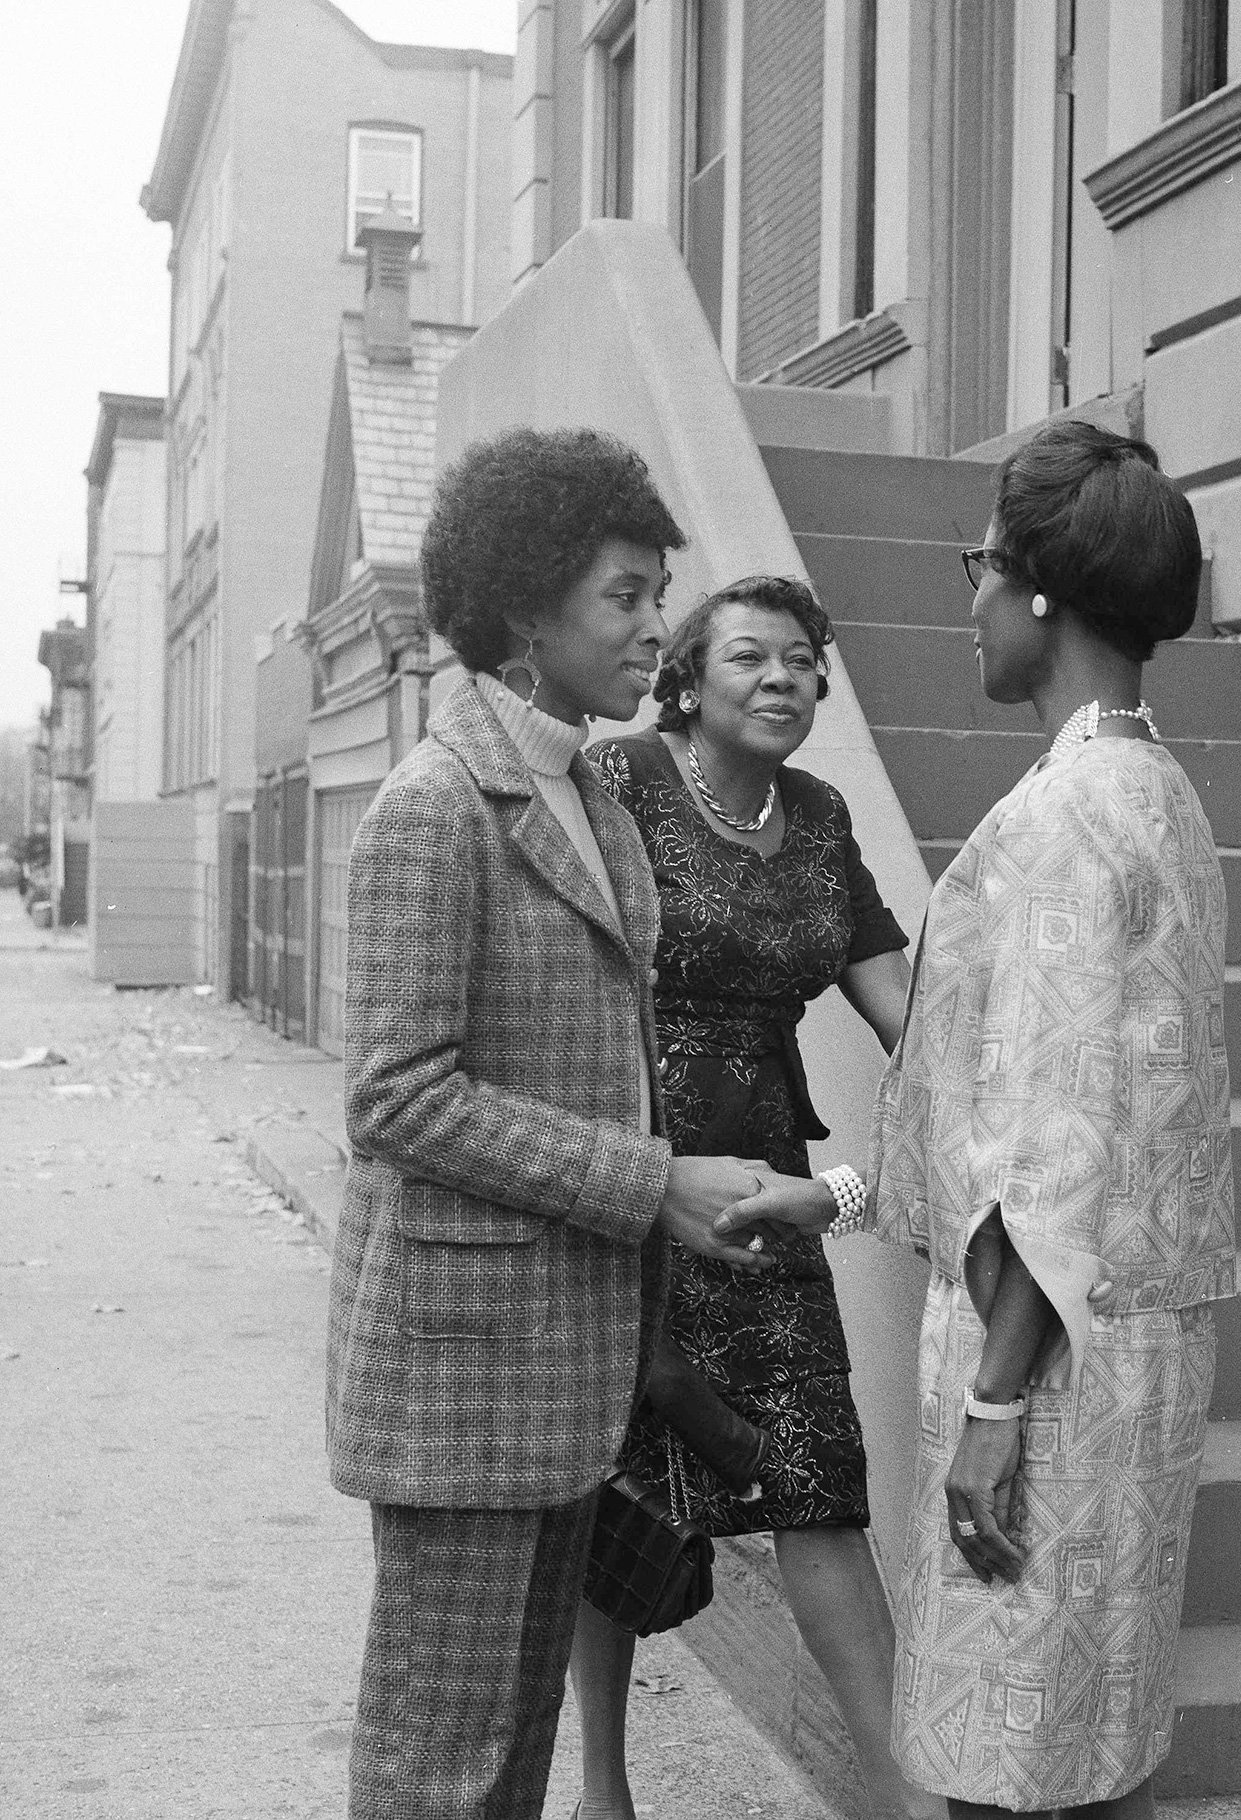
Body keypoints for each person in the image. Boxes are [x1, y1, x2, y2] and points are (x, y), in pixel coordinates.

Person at [720, 422, 1237, 1816]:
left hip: (1051, 1370)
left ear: (1043, 592)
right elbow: (1025, 1111)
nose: (971, 603)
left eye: (982, 569)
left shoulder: (1067, 815)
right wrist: (830, 1199)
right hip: (1136, 1353)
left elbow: (1056, 1151)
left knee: (1006, 1767)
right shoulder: (1164, 797)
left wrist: (996, 1409)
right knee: (1087, 1741)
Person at [324, 428, 775, 1820]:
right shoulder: (433, 805)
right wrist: (653, 1185)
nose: (660, 631)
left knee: (511, 1762)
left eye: (658, 596)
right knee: (437, 1773)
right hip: (459, 1387)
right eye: (626, 599)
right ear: (526, 610)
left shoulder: (588, 788)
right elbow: (397, 1097)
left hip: (562, 1374)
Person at [575, 576, 943, 1820]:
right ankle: (605, 1786)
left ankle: (903, 1799)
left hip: (768, 1202)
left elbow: (915, 1021)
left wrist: (862, 1174)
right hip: (635, 1187)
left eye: (805, 659)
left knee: (818, 1489)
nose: (785, 676)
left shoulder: (825, 819)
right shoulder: (619, 783)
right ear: (687, 678)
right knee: (616, 1495)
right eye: (752, 656)